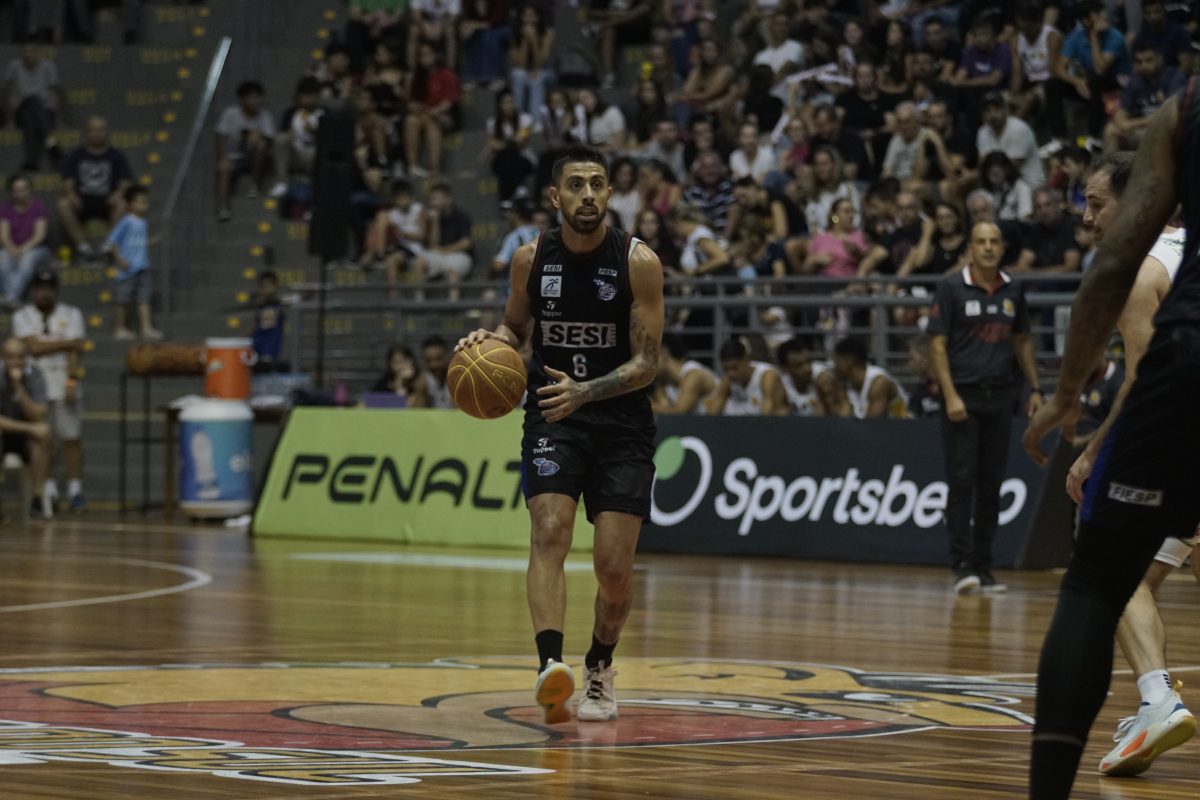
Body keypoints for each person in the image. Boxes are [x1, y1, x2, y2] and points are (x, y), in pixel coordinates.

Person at [1021, 82, 1200, 800]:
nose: (1086, 217)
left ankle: (1152, 704)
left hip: (1184, 393)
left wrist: (1081, 426)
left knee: (1099, 577)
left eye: (1095, 203)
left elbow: (1118, 280)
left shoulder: (1182, 114)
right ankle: (1156, 698)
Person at [456, 144, 665, 725]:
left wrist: (587, 391)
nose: (588, 194)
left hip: (622, 423)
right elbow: (515, 326)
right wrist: (488, 342)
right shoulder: (530, 258)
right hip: (553, 413)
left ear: (610, 194)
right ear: (555, 196)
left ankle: (599, 664)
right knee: (549, 531)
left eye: (597, 184)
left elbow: (648, 363)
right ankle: (551, 666)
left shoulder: (638, 262)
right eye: (576, 184)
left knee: (613, 570)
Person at [928, 221, 1042, 595]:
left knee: (992, 484)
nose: (989, 248)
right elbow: (937, 345)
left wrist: (1035, 387)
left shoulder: (1013, 289)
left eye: (994, 242)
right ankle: (961, 565)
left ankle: (984, 566)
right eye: (981, 242)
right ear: (970, 249)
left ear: (1002, 248)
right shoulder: (951, 287)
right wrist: (950, 395)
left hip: (1001, 395)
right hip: (963, 395)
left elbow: (1022, 339)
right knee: (962, 480)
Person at [12, 270, 84, 515]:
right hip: (36, 383)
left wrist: (72, 381)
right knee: (45, 440)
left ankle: (75, 491)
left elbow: (76, 351)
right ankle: (49, 490)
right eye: (40, 287)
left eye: (49, 287)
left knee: (71, 437)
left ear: (56, 290)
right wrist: (67, 342)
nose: (44, 292)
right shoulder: (22, 316)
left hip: (64, 379)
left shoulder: (72, 313)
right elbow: (33, 348)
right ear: (33, 290)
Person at [57, 116, 133, 260]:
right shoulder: (76, 154)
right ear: (86, 133)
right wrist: (72, 194)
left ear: (106, 132)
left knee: (122, 203)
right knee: (63, 204)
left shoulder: (116, 155)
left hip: (107, 201)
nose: (96, 134)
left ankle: (108, 247)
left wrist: (118, 194)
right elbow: (67, 180)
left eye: (100, 130)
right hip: (82, 202)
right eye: (92, 130)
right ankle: (83, 248)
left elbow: (126, 181)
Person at [0, 337, 51, 519]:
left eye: (20, 357)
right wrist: (29, 428)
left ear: (26, 356)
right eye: (10, 357)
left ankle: (37, 499)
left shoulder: (35, 374)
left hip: (24, 439)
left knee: (43, 436)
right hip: (5, 433)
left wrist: (18, 387)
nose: (15, 362)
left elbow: (37, 414)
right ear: (3, 356)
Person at [105, 185, 160, 341]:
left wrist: (154, 241)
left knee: (144, 298)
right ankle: (120, 328)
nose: (145, 205)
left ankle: (146, 328)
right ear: (130, 204)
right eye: (141, 202)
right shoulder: (126, 222)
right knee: (123, 299)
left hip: (143, 265)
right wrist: (120, 259)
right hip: (128, 267)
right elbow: (112, 241)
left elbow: (140, 242)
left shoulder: (143, 223)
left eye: (146, 201)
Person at [215, 80, 275, 222]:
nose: (255, 101)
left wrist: (259, 136)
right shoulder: (231, 113)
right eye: (251, 97)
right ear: (242, 99)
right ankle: (223, 208)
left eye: (258, 97)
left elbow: (270, 139)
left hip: (252, 157)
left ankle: (254, 185)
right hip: (232, 157)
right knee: (224, 168)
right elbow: (220, 136)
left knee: (260, 145)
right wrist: (223, 157)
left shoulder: (264, 115)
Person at [4, 43, 60, 172]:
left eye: (31, 51)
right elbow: (12, 94)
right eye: (25, 51)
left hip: (43, 111)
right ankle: (51, 144)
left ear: (38, 53)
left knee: (30, 116)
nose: (28, 55)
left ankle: (31, 161)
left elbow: (53, 94)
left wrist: (58, 120)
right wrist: (11, 121)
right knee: (32, 101)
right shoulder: (14, 66)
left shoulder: (48, 66)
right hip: (21, 109)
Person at [0, 174, 51, 307]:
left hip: (37, 249)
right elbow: (4, 236)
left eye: (23, 189)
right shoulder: (5, 209)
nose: (20, 193)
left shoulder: (38, 207)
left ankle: (11, 296)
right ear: (11, 192)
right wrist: (12, 249)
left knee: (27, 258)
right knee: (2, 257)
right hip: (12, 248)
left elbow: (39, 236)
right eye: (16, 190)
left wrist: (22, 249)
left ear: (30, 190)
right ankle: (12, 299)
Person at [831, 336, 909, 419]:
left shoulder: (880, 382)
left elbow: (872, 424)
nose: (834, 366)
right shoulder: (847, 384)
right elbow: (842, 421)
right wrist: (843, 397)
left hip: (904, 426)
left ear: (849, 360)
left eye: (837, 361)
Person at [708, 336, 786, 416]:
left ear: (746, 360)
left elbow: (767, 414)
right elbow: (714, 410)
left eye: (735, 368)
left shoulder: (767, 376)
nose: (731, 374)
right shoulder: (728, 379)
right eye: (726, 369)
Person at [652, 332, 716, 415]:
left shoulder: (694, 374)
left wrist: (645, 406)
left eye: (648, 357)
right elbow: (664, 413)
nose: (644, 366)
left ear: (664, 352)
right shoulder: (665, 386)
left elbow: (680, 414)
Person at [777, 337, 826, 417]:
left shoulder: (821, 376)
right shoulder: (781, 385)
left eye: (808, 361)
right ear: (785, 369)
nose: (807, 369)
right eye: (799, 365)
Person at [251, 271, 285, 372]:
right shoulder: (261, 308)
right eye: (262, 287)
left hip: (268, 355)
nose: (265, 290)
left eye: (268, 286)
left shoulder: (277, 307)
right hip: (255, 353)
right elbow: (255, 328)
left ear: (276, 287)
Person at [420, 335, 453, 409]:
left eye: (439, 359)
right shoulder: (424, 380)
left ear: (448, 356)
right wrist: (421, 391)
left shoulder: (457, 378)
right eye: (428, 361)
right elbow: (417, 411)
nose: (434, 365)